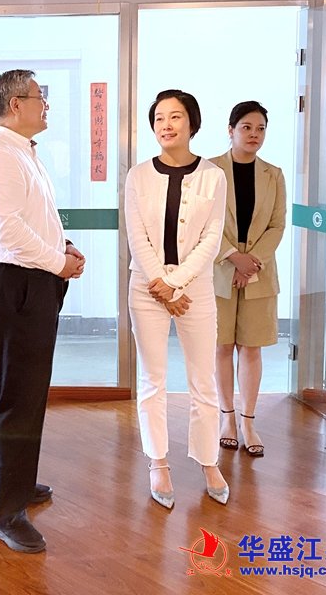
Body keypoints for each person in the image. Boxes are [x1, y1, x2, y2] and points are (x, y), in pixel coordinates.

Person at [0, 69, 85, 554]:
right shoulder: (0, 153)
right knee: (18, 398)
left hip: (31, 283)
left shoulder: (22, 151)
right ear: (15, 104)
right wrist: (59, 262)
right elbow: (8, 231)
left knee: (30, 393)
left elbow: (34, 220)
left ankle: (17, 483)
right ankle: (2, 513)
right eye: (40, 96)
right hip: (14, 286)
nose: (46, 104)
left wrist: (63, 246)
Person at [124, 89, 229, 508]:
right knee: (153, 379)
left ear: (192, 123)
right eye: (159, 118)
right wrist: (161, 284)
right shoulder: (137, 176)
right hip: (146, 287)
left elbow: (212, 238)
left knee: (203, 379)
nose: (166, 125)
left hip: (195, 288)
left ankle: (208, 461)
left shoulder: (213, 176)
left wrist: (177, 284)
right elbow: (137, 237)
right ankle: (158, 462)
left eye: (175, 117)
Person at [211, 101, 286, 458]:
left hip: (259, 271)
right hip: (220, 269)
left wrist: (251, 262)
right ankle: (226, 418)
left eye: (260, 128)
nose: (254, 134)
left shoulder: (274, 174)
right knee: (222, 346)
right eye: (246, 127)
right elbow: (202, 224)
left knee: (251, 347)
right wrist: (233, 257)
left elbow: (277, 225)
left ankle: (249, 421)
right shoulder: (209, 170)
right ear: (231, 130)